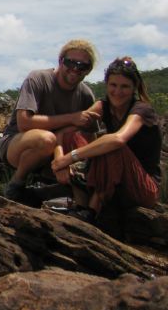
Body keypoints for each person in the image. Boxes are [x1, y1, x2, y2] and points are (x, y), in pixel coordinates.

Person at [51, 56, 162, 225]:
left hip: (143, 188)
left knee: (111, 145)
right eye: (113, 85)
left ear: (134, 88)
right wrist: (59, 161)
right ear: (106, 85)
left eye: (124, 86)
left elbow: (118, 139)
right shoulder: (103, 106)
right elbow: (63, 133)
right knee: (75, 136)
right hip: (114, 183)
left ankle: (91, 211)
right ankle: (81, 203)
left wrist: (70, 157)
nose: (117, 92)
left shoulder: (141, 109)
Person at [0, 39, 100, 204]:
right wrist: (72, 117)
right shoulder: (37, 79)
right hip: (19, 144)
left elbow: (90, 136)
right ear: (60, 61)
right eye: (70, 62)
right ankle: (17, 183)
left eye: (82, 66)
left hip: (57, 152)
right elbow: (24, 122)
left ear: (88, 70)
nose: (75, 69)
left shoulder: (86, 95)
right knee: (47, 139)